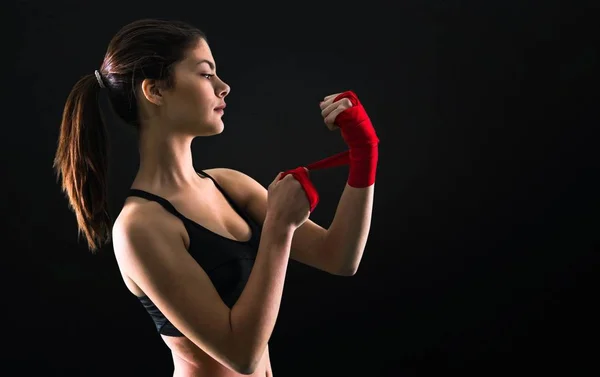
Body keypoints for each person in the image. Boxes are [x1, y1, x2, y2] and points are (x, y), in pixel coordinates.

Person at [53, 18, 379, 377]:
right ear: (155, 91)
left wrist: (364, 153)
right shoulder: (140, 227)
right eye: (206, 74)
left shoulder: (229, 184)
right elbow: (241, 353)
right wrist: (278, 228)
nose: (223, 87)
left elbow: (339, 257)